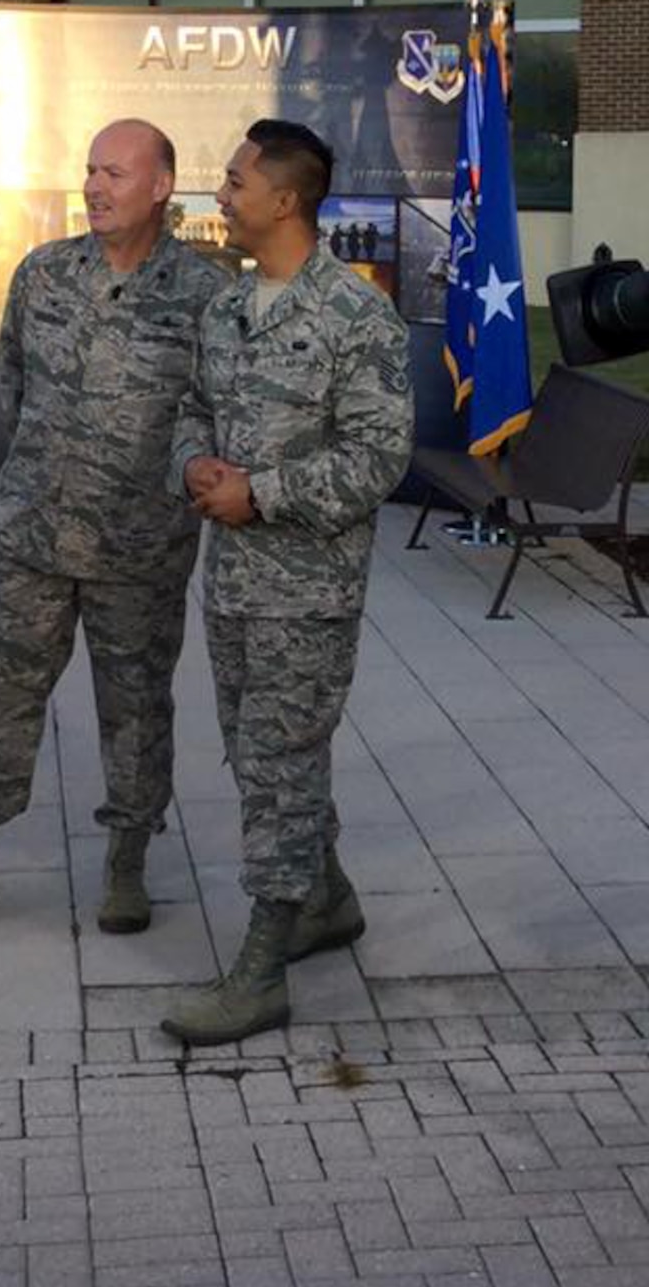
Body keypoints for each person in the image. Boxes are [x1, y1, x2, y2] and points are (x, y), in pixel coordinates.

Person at [0, 120, 228, 934]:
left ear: (161, 187)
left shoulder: (204, 295)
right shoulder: (44, 273)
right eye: (89, 170)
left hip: (141, 549)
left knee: (136, 708)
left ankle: (128, 860)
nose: (93, 186)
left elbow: (214, 411)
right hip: (36, 540)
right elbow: (15, 383)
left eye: (115, 173)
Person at [163, 120, 413, 1046]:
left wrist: (258, 494)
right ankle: (329, 900)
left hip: (307, 593)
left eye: (233, 182)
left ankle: (262, 970)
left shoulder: (356, 317)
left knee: (278, 768)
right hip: (230, 585)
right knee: (264, 754)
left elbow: (379, 456)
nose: (219, 197)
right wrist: (194, 462)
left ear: (285, 199)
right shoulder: (228, 308)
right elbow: (195, 407)